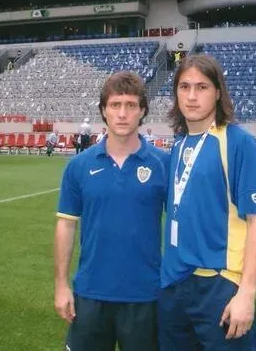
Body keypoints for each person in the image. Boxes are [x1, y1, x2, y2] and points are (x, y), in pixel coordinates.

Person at [158, 54, 256, 350]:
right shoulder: (179, 143)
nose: (192, 96)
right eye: (184, 87)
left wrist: (246, 292)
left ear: (218, 92)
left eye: (202, 87)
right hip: (173, 284)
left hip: (218, 286)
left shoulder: (237, 142)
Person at [54, 71, 168, 351]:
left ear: (142, 111)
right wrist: (61, 285)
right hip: (91, 294)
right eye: (115, 105)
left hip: (146, 295)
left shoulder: (164, 164)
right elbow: (66, 226)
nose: (122, 113)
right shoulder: (78, 166)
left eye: (131, 105)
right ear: (103, 111)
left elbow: (183, 226)